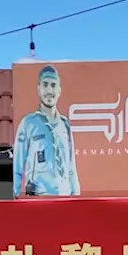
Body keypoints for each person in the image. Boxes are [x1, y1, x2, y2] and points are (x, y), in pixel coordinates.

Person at [13, 64, 79, 197]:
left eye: (53, 85)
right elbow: (17, 167)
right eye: (45, 84)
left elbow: (71, 168)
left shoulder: (65, 125)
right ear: (38, 89)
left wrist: (76, 196)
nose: (49, 90)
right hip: (39, 197)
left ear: (59, 91)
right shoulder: (28, 123)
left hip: (64, 196)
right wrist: (15, 196)